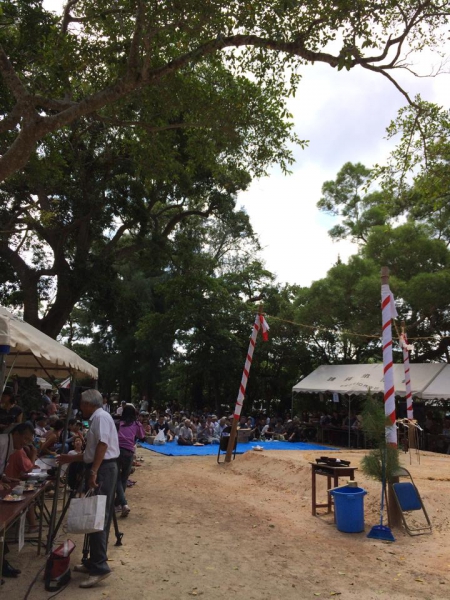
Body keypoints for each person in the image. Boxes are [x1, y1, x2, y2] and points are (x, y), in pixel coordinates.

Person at [58, 389, 119, 589]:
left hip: (103, 469)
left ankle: (100, 566)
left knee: (98, 516)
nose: (80, 407)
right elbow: (91, 452)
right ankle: (94, 561)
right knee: (96, 515)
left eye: (81, 404)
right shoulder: (99, 417)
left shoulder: (100, 417)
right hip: (102, 467)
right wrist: (72, 458)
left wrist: (93, 471)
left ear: (87, 404)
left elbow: (102, 446)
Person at [0, 422, 35, 583]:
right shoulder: (1, 443)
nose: (24, 444)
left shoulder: (10, 446)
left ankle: (3, 563)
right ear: (17, 434)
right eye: (24, 440)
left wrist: (3, 477)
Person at [116, 404, 145, 517]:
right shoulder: (136, 424)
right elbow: (142, 436)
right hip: (129, 453)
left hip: (117, 452)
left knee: (117, 478)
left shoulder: (118, 423)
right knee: (124, 478)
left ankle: (121, 503)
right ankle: (121, 504)